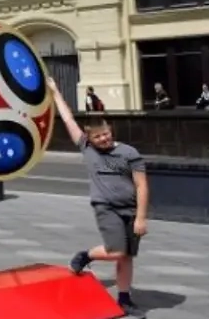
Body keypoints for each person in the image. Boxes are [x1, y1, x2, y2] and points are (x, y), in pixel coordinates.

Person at [49, 77, 148, 317]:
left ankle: (124, 299)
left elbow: (142, 185)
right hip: (106, 207)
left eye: (105, 134)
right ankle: (86, 255)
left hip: (130, 209)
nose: (103, 139)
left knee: (127, 256)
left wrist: (141, 218)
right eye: (97, 137)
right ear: (89, 139)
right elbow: (68, 119)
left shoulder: (129, 153)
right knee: (117, 251)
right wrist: (54, 91)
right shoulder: (87, 149)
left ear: (110, 129)